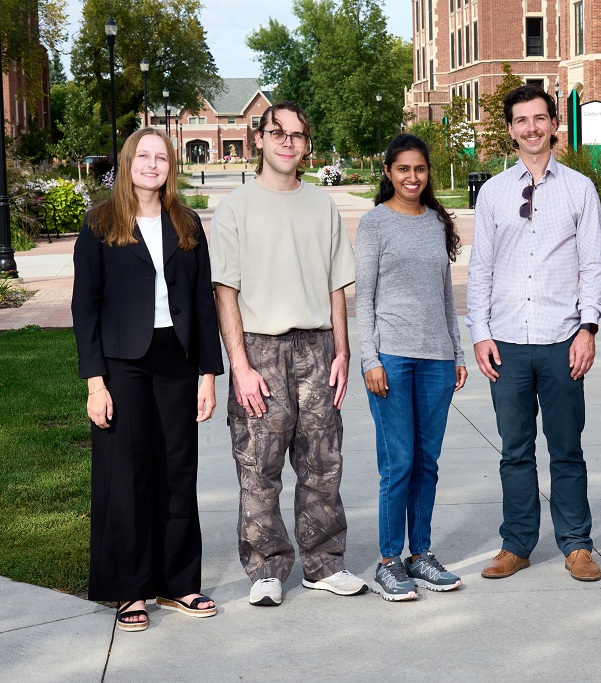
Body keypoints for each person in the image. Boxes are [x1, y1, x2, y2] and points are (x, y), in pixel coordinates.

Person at [210, 102, 367, 606]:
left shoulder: (321, 205)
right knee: (259, 464)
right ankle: (266, 569)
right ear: (259, 138)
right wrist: (239, 365)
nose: (287, 142)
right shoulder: (236, 207)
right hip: (260, 350)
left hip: (317, 347)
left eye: (297, 135)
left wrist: (342, 352)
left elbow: (337, 285)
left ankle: (324, 564)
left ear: (306, 145)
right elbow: (224, 291)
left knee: (323, 463)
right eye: (277, 132)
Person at [72, 128, 223, 632]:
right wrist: (96, 382)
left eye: (161, 157)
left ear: (170, 166)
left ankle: (179, 583)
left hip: (176, 359)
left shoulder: (187, 221)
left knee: (178, 470)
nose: (152, 164)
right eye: (144, 156)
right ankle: (130, 590)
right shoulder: (101, 222)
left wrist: (207, 373)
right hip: (122, 363)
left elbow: (203, 303)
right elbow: (84, 308)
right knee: (127, 475)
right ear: (128, 161)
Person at [466, 85, 601, 582]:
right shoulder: (493, 193)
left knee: (567, 447)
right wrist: (480, 334)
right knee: (515, 450)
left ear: (553, 124)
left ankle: (576, 544)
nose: (531, 128)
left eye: (539, 119)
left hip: (562, 340)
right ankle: (517, 544)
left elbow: (594, 266)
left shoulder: (579, 188)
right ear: (510, 129)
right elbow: (479, 269)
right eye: (521, 120)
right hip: (505, 342)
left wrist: (588, 328)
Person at [355, 134, 468, 601]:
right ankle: (388, 561)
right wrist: (370, 359)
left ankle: (420, 554)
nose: (412, 177)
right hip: (392, 360)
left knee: (427, 462)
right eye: (403, 169)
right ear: (388, 172)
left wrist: (457, 354)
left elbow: (445, 295)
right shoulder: (374, 224)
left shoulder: (437, 222)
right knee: (397, 462)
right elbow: (363, 297)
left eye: (419, 169)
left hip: (437, 359)